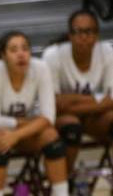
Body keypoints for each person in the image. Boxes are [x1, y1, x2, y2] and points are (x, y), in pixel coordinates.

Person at [0, 31, 79, 196]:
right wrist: (24, 124)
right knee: (0, 137)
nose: (21, 54)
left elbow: (48, 117)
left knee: (51, 137)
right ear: (3, 56)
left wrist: (17, 133)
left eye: (25, 48)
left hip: (20, 134)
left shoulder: (40, 68)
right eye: (14, 50)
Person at [43, 9, 113, 174]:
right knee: (72, 128)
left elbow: (111, 99)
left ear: (97, 35)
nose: (84, 37)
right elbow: (54, 103)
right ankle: (67, 182)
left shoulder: (109, 53)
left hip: (95, 117)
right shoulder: (53, 55)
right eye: (78, 32)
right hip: (62, 117)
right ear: (70, 35)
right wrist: (96, 100)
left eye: (89, 31)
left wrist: (72, 101)